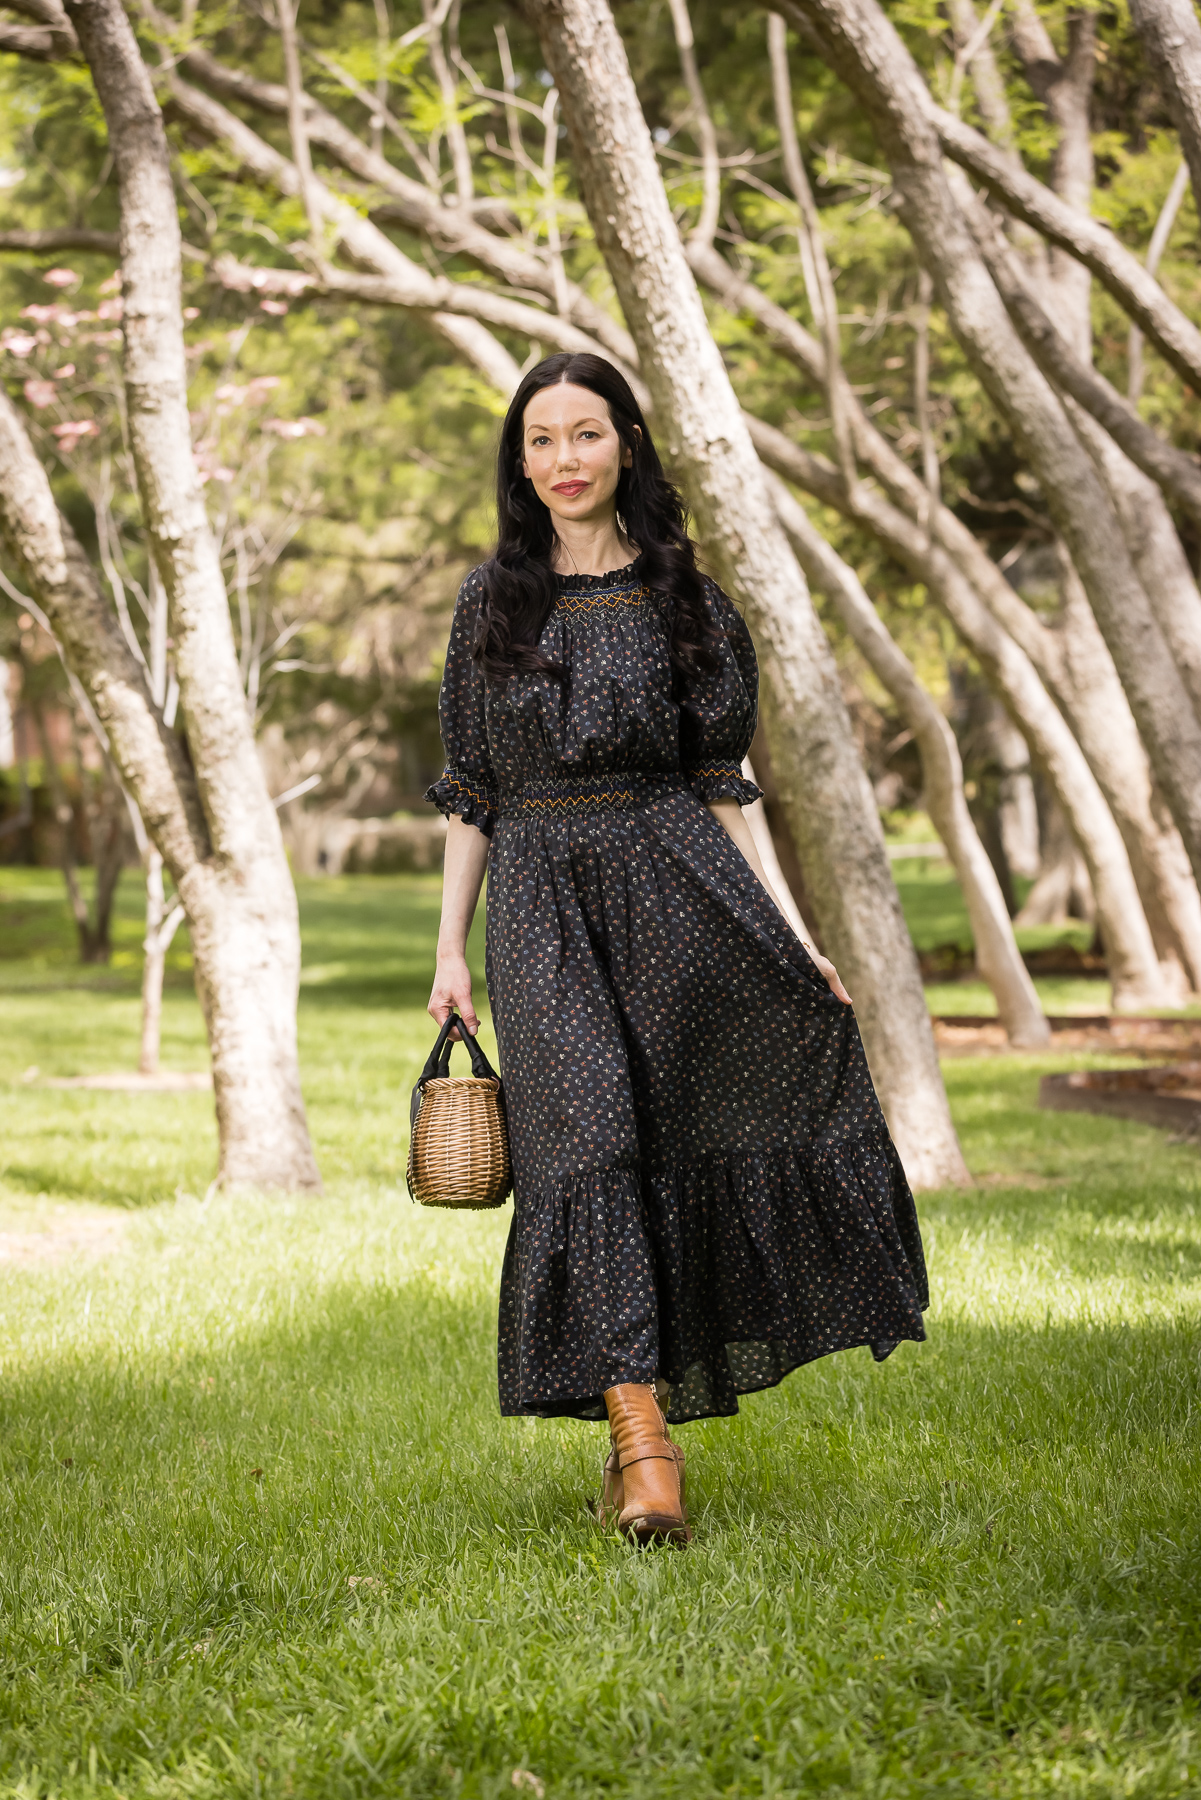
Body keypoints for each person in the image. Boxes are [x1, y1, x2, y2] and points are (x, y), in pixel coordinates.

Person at [425, 352, 927, 1546]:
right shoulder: (489, 603)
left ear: (628, 446)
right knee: (585, 1147)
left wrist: (794, 937)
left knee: (672, 1142)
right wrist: (449, 951)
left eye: (584, 435)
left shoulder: (685, 599)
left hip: (679, 885)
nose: (563, 461)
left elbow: (722, 785)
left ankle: (641, 1446)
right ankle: (644, 1453)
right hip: (543, 900)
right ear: (521, 462)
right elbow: (470, 792)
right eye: (539, 441)